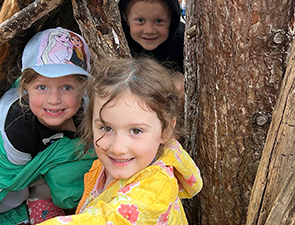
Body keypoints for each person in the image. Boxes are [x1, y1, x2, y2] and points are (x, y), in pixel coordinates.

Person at [40, 57, 203, 224]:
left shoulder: (154, 190)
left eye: (136, 131)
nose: (117, 148)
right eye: (106, 128)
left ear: (166, 130)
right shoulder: (139, 158)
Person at [0, 27, 97, 225]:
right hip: (30, 177)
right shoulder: (15, 128)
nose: (54, 100)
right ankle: (39, 199)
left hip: (48, 163)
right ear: (25, 88)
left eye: (67, 87)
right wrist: (47, 176)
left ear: (82, 88)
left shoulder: (87, 109)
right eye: (42, 87)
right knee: (64, 177)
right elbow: (10, 176)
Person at [119, 0, 186, 98]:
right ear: (125, 18)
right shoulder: (116, 40)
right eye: (140, 20)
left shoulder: (183, 43)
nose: (149, 30)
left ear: (172, 19)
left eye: (159, 21)